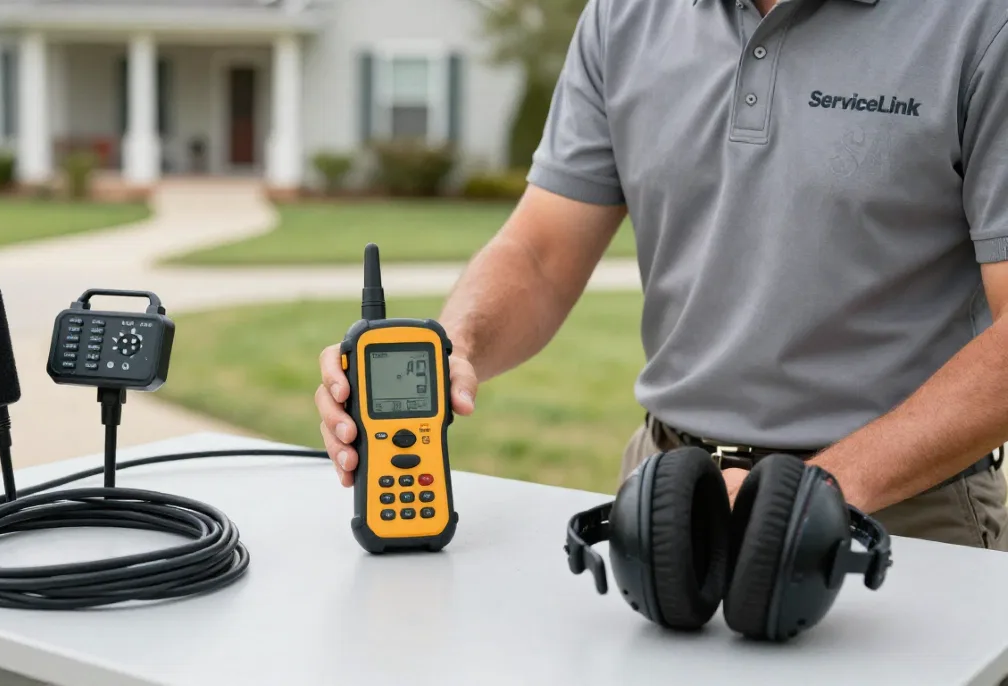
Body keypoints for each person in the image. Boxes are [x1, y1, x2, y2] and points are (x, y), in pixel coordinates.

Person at [315, 0, 1008, 550]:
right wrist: (451, 350)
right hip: (668, 496)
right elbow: (540, 252)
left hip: (903, 511)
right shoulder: (623, 15)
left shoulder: (982, 21)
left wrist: (809, 495)